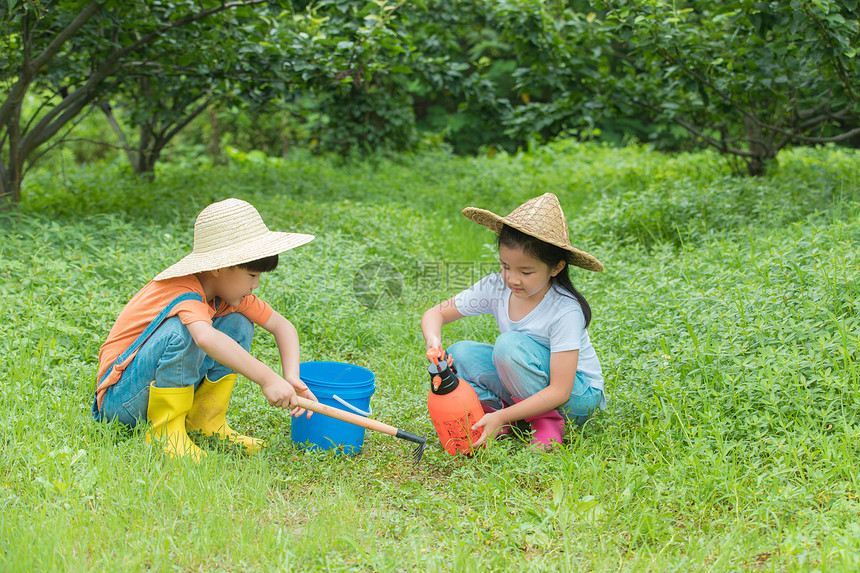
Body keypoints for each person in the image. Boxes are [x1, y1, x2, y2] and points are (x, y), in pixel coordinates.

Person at [92, 198, 317, 461]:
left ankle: (205, 421)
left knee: (238, 323)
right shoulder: (182, 291)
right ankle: (165, 434)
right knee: (184, 331)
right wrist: (268, 379)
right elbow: (205, 338)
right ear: (219, 268)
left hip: (151, 394)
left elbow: (283, 326)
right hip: (120, 403)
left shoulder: (228, 295)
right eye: (252, 276)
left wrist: (291, 377)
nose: (256, 285)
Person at [421, 193, 606, 450]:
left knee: (508, 346)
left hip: (576, 398)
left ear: (556, 268)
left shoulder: (564, 310)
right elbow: (435, 314)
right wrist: (434, 344)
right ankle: (511, 417)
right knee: (460, 353)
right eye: (505, 266)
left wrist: (502, 416)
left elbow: (561, 391)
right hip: (532, 386)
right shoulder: (497, 287)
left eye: (526, 272)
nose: (512, 279)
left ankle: (545, 423)